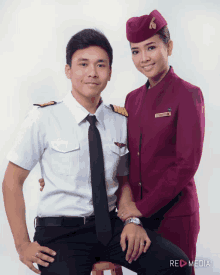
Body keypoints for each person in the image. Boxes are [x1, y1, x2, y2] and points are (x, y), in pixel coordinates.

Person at [2, 28, 192, 275]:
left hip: (111, 227)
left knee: (176, 265)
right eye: (83, 64)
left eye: (101, 65)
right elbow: (11, 182)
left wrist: (132, 221)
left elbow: (123, 180)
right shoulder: (42, 118)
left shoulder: (120, 120)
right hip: (61, 233)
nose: (92, 73)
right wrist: (22, 245)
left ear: (110, 72)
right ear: (68, 70)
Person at [116, 10, 205, 275]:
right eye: (135, 51)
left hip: (174, 216)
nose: (143, 58)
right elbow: (126, 156)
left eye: (151, 47)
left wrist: (140, 208)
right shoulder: (132, 99)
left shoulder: (188, 94)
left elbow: (186, 164)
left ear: (169, 46)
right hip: (140, 221)